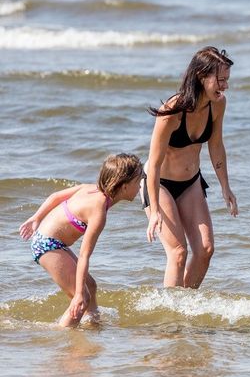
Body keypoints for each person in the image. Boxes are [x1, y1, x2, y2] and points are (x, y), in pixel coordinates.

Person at [143, 46, 238, 289]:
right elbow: (153, 165)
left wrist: (225, 187)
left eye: (226, 80)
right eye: (220, 80)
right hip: (159, 184)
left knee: (205, 249)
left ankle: (182, 308)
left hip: (191, 182)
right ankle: (168, 322)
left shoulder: (218, 104)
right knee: (177, 252)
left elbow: (216, 145)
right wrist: (154, 210)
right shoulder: (171, 112)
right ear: (201, 76)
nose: (225, 86)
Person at [19, 153, 144, 327]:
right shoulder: (98, 210)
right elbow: (84, 254)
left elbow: (55, 196)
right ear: (123, 186)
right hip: (47, 245)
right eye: (139, 179)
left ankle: (93, 324)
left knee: (90, 286)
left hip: (51, 242)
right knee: (82, 298)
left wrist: (36, 218)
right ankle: (62, 335)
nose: (141, 185)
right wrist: (78, 294)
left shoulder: (89, 188)